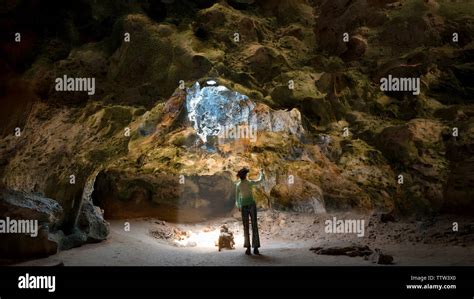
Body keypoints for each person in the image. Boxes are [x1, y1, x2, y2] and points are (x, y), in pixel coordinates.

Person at [235, 167, 265, 255]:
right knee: (254, 225)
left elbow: (237, 198)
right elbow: (260, 180)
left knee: (246, 227)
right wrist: (261, 173)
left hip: (244, 206)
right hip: (252, 205)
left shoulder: (238, 185)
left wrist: (239, 206)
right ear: (245, 175)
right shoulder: (249, 182)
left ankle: (248, 248)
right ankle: (255, 248)